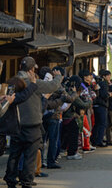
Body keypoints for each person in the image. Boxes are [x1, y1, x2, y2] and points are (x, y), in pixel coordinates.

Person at [4, 56, 62, 188]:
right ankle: (26, 181)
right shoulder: (35, 83)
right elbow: (52, 86)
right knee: (30, 155)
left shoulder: (12, 82)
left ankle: (11, 179)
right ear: (31, 70)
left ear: (20, 67)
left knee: (14, 154)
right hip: (33, 125)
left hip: (16, 124)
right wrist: (58, 76)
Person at [91, 69, 111, 147]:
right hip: (102, 105)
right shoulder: (104, 84)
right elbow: (104, 95)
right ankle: (99, 141)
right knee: (102, 124)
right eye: (108, 76)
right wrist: (108, 95)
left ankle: (94, 140)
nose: (109, 77)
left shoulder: (98, 83)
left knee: (97, 124)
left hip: (96, 105)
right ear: (104, 76)